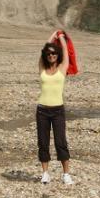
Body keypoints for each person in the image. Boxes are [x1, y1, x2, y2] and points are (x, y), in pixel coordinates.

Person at [36, 31, 73, 185]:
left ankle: (66, 174)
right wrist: (52, 35)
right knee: (43, 142)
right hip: (42, 111)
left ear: (58, 56)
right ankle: (45, 174)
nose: (51, 55)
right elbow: (43, 50)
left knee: (60, 142)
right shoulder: (42, 68)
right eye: (49, 54)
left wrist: (61, 37)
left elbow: (65, 52)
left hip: (58, 111)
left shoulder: (62, 68)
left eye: (54, 53)